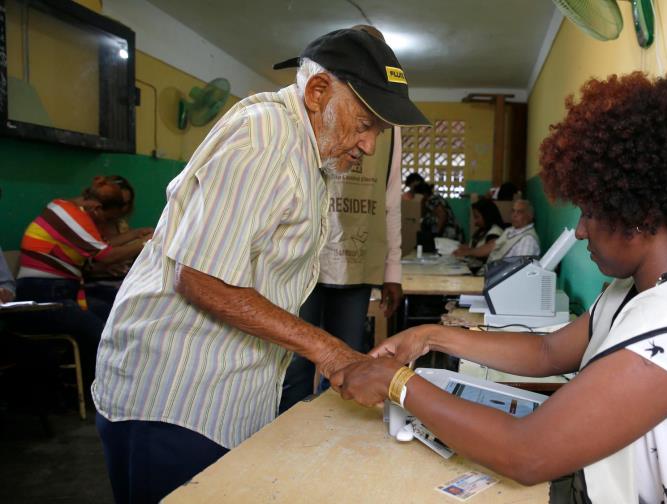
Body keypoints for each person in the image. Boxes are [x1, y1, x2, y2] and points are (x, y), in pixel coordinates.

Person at [332, 72, 667, 503]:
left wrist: (397, 384)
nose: (579, 231)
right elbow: (548, 353)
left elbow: (528, 453)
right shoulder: (640, 290)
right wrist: (430, 335)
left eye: (591, 212)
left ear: (640, 212)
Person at [91, 28, 429, 504]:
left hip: (224, 393)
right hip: (177, 398)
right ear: (317, 92)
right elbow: (200, 276)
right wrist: (331, 351)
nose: (370, 145)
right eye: (365, 123)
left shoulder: (313, 154)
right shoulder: (266, 136)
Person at [279, 24, 406, 412]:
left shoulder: (388, 130)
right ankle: (287, 435)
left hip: (354, 258)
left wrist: (393, 272)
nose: (367, 143)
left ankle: (330, 440)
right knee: (294, 362)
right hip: (305, 260)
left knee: (347, 360)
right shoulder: (298, 123)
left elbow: (390, 200)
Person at [13, 178, 150, 386]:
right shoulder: (73, 216)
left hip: (60, 292)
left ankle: (109, 387)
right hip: (42, 296)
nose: (103, 225)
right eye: (105, 219)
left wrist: (134, 236)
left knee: (110, 314)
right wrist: (148, 243)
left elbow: (101, 246)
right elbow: (106, 255)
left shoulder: (68, 210)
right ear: (95, 207)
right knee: (100, 331)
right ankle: (99, 391)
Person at [83, 175, 140, 306]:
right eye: (118, 204)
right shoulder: (85, 223)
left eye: (126, 204)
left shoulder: (121, 225)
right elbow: (99, 258)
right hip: (94, 287)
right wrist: (143, 242)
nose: (122, 210)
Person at [452, 198, 506, 272]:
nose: (475, 222)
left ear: (487, 215)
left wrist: (467, 252)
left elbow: (489, 248)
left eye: (477, 217)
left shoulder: (495, 231)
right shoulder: (482, 230)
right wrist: (464, 248)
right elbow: (477, 247)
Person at [484, 199, 540, 264]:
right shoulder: (511, 230)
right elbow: (493, 246)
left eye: (520, 212)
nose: (514, 215)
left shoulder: (528, 240)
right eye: (513, 211)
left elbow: (519, 269)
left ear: (530, 216)